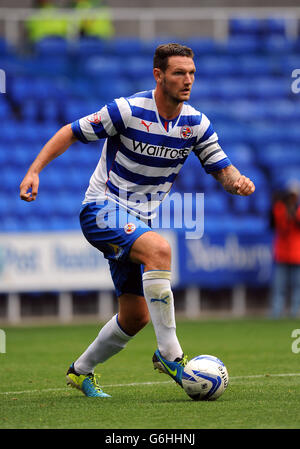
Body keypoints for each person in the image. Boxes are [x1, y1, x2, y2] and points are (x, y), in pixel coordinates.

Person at [20, 43, 255, 398]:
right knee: (159, 249)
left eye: (191, 73)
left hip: (136, 220)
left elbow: (221, 167)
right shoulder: (126, 111)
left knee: (135, 318)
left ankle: (80, 372)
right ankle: (170, 355)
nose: (187, 80)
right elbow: (70, 131)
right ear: (158, 75)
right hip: (100, 209)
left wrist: (236, 181)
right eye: (179, 73)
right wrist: (35, 171)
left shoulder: (196, 124)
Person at [270, 181, 300, 318]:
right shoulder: (280, 209)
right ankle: (276, 312)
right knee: (279, 287)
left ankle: (295, 312)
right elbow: (277, 224)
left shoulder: (298, 210)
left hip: (296, 255)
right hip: (282, 253)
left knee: (297, 287)